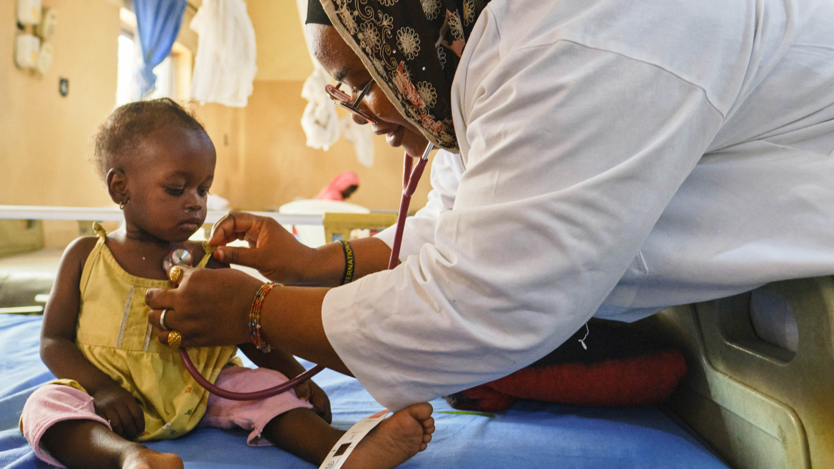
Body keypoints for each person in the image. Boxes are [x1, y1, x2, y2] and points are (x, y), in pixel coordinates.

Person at [145, 0, 834, 414]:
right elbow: (458, 224)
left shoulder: (577, 38)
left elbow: (478, 301)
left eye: (357, 82)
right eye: (340, 95)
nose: (357, 114)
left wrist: (254, 309)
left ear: (398, 35)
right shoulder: (467, 56)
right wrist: (315, 262)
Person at [20, 99, 433, 469]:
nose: (195, 202)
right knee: (45, 405)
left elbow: (251, 330)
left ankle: (340, 450)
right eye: (177, 188)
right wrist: (103, 389)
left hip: (201, 390)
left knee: (263, 387)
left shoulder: (208, 263)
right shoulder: (85, 256)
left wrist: (295, 378)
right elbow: (53, 342)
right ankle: (128, 457)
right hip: (109, 401)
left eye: (204, 189)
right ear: (120, 187)